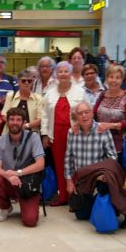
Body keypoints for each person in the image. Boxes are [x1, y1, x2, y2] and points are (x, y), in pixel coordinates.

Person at [65, 102, 126, 226]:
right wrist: (69, 181)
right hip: (83, 178)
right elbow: (68, 158)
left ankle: (123, 211)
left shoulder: (102, 130)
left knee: (107, 186)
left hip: (99, 176)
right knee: (81, 215)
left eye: (87, 112)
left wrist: (104, 174)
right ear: (76, 117)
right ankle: (96, 205)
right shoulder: (72, 132)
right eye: (80, 113)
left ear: (92, 113)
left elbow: (112, 157)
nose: (84, 116)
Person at [41, 61, 87, 206]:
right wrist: (44, 134)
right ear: (56, 74)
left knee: (76, 164)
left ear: (70, 73)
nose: (63, 74)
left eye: (66, 71)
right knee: (60, 165)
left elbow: (87, 111)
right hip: (56, 134)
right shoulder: (49, 94)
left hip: (76, 133)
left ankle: (77, 195)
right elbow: (45, 115)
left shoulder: (80, 92)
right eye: (60, 71)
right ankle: (63, 196)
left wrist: (84, 128)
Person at [0, 108, 46, 227]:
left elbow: (40, 164)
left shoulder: (34, 137)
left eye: (18, 120)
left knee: (30, 221)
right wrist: (9, 176)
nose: (15, 122)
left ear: (24, 122)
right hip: (10, 181)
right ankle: (6, 208)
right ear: (7, 122)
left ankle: (26, 204)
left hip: (28, 183)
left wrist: (18, 173)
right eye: (12, 119)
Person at [94, 64, 126, 161]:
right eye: (111, 77)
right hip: (100, 142)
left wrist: (111, 125)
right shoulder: (102, 95)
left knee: (115, 169)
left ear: (122, 80)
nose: (114, 80)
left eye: (117, 78)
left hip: (118, 145)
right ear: (107, 78)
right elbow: (94, 114)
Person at [2, 69, 43, 135]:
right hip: (11, 132)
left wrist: (25, 126)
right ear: (18, 82)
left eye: (29, 81)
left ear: (32, 82)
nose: (26, 83)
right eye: (23, 81)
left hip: (31, 134)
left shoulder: (38, 98)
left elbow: (39, 119)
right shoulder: (10, 95)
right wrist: (14, 125)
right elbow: (4, 115)